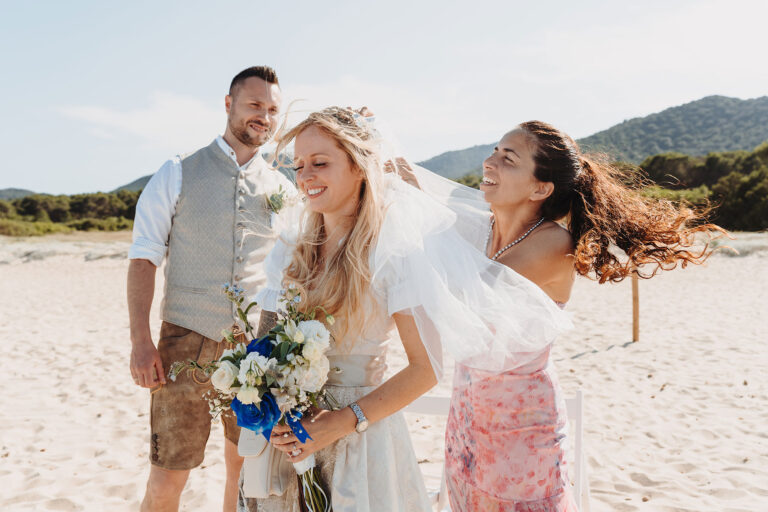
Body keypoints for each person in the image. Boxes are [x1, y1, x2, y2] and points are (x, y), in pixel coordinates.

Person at [237, 108, 571, 512]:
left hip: (362, 439)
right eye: (299, 165)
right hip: (287, 437)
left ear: (361, 168)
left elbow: (426, 366)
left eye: (320, 163)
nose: (305, 175)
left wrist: (340, 422)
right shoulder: (290, 247)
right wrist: (259, 393)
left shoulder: (392, 252)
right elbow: (266, 338)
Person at [442, 121, 720, 511]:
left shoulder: (553, 243)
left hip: (520, 430)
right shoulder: (483, 230)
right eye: (494, 151)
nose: (490, 162)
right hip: (467, 418)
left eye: (509, 158)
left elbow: (461, 296)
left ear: (540, 188)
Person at [127, 65, 295, 512]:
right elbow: (144, 258)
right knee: (168, 477)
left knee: (244, 476)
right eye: (255, 105)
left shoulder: (282, 188)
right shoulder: (177, 171)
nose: (264, 116)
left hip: (255, 352)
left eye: (273, 109)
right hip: (183, 346)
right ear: (229, 104)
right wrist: (141, 342)